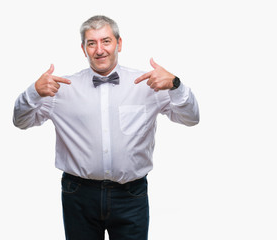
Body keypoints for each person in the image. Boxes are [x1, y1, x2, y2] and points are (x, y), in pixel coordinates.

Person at [13, 15, 199, 240]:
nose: (99, 50)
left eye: (106, 41)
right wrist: (33, 91)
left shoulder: (148, 84)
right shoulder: (61, 89)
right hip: (78, 194)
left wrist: (175, 85)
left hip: (131, 194)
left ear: (119, 43)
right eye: (92, 43)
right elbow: (21, 121)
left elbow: (191, 119)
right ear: (83, 49)